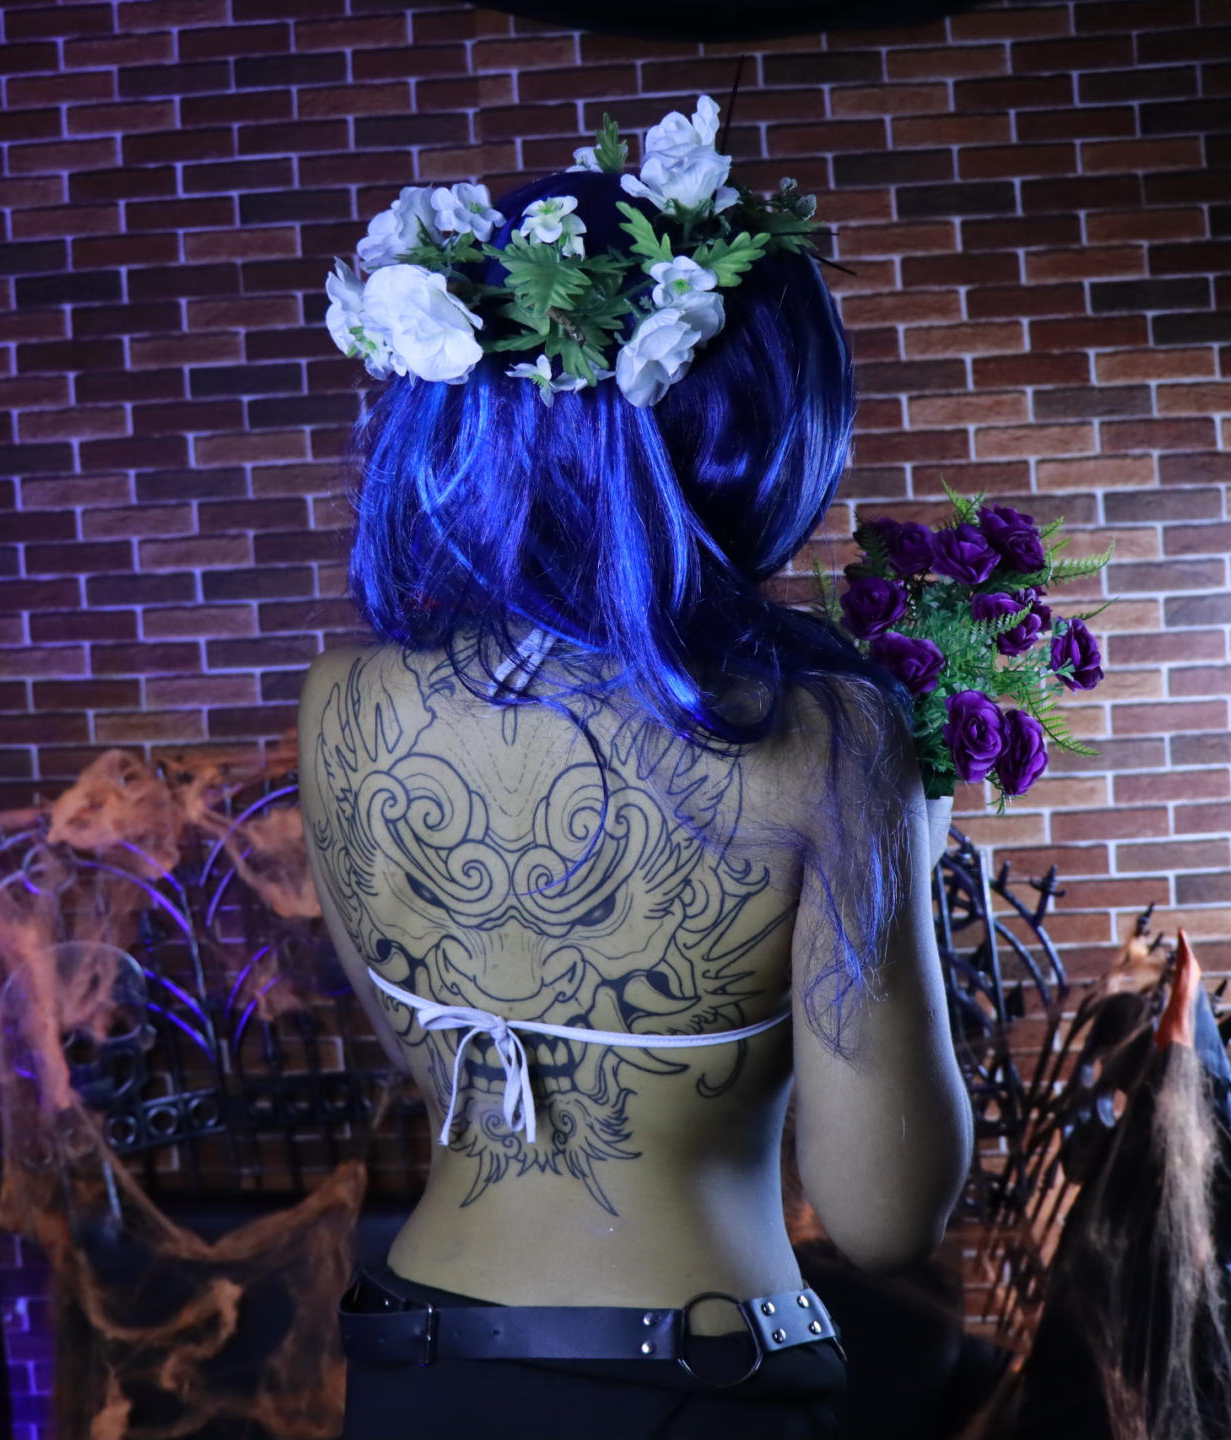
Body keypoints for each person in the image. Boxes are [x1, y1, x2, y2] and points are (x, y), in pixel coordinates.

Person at [297, 98, 973, 1440]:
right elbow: (887, 1219)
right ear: (756, 424)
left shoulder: (341, 705)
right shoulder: (831, 740)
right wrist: (907, 849)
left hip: (419, 1368)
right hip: (695, 1384)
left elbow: (455, 1077)